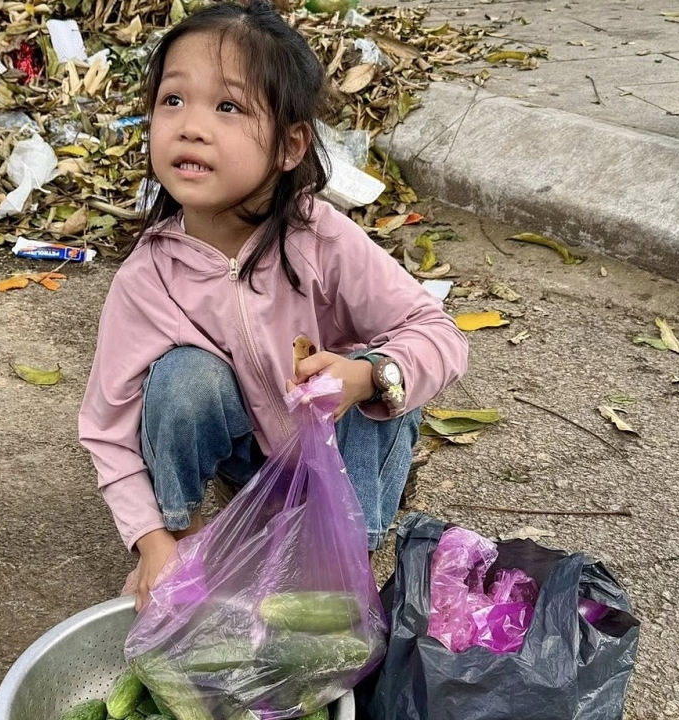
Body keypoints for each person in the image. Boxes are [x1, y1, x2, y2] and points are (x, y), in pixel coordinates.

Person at [77, 0, 468, 611]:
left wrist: (365, 377)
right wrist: (150, 540)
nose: (190, 126)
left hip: (335, 455)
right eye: (172, 100)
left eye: (228, 107)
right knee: (181, 378)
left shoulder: (322, 238)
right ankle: (186, 542)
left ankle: (345, 560)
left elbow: (440, 334)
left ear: (289, 146)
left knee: (382, 378)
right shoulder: (147, 277)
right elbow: (106, 430)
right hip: (251, 462)